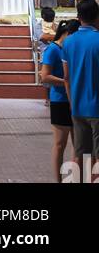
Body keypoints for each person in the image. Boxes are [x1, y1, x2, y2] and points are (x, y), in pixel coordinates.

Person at [41, 18, 80, 182]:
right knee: (60, 144)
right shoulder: (52, 50)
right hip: (60, 101)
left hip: (76, 100)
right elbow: (45, 76)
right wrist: (66, 81)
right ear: (68, 33)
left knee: (78, 145)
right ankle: (58, 179)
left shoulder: (71, 49)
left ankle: (73, 178)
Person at [62, 0, 99, 169]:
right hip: (96, 108)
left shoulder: (68, 42)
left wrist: (72, 103)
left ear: (78, 17)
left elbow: (66, 78)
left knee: (82, 159)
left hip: (77, 108)